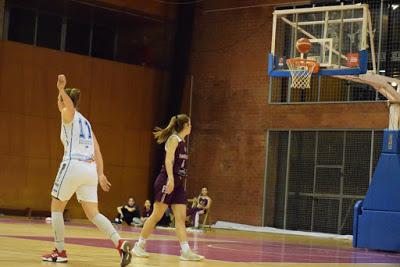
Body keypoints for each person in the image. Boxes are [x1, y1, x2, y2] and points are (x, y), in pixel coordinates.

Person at [41, 75, 132, 266]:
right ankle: (120, 242)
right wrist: (100, 173)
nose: (59, 103)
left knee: (56, 207)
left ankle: (60, 251)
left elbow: (70, 107)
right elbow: (97, 149)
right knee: (93, 214)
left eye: (61, 100)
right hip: (90, 170)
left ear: (64, 101)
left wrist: (60, 90)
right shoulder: (86, 122)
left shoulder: (68, 113)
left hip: (73, 165)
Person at [132, 114, 204, 261]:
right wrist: (170, 179)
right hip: (166, 180)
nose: (191, 126)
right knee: (157, 215)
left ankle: (185, 251)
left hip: (178, 184)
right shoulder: (173, 139)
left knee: (181, 217)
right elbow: (168, 160)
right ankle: (139, 246)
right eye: (189, 124)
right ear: (184, 126)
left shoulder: (183, 142)